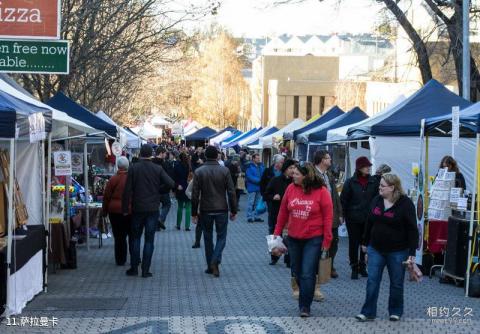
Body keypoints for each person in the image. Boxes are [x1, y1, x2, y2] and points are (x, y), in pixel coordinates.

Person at [356, 173, 418, 322]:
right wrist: (365, 242)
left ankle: (395, 311)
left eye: (382, 186)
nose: (379, 188)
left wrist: (412, 252)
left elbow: (412, 229)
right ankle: (368, 311)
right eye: (380, 185)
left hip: (398, 250)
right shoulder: (377, 200)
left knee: (396, 282)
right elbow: (369, 222)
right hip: (376, 248)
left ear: (392, 187)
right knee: (372, 281)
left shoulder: (405, 203)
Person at [274, 162, 333, 318]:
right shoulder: (291, 189)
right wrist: (277, 233)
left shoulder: (322, 191)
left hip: (313, 238)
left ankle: (305, 305)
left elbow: (328, 217)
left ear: (307, 176)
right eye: (293, 173)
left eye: (297, 173)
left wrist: (327, 239)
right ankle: (305, 295)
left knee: (307, 273)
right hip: (293, 238)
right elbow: (282, 212)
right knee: (297, 272)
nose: (293, 175)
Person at [122, 144, 174, 277]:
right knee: (149, 240)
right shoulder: (157, 168)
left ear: (140, 154)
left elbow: (127, 190)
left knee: (135, 238)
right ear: (151, 154)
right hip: (152, 208)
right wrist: (158, 191)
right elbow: (170, 183)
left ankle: (134, 268)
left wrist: (125, 209)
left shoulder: (133, 168)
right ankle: (145, 270)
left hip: (138, 208)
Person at [191, 146, 237, 277]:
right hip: (221, 208)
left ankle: (211, 265)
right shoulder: (224, 171)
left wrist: (194, 213)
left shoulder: (199, 171)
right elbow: (231, 192)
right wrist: (233, 210)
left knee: (207, 237)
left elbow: (195, 194)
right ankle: (215, 261)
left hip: (206, 209)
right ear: (217, 156)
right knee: (221, 237)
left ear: (205, 156)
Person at [340, 156, 379, 280]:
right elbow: (344, 200)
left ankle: (363, 266)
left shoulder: (373, 182)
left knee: (365, 242)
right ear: (359, 168)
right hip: (353, 217)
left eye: (369, 166)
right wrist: (343, 215)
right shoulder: (350, 182)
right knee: (354, 243)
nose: (368, 168)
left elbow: (377, 199)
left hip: (368, 217)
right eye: (366, 166)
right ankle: (354, 267)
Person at [314, 150, 343, 280]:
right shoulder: (312, 175)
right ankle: (318, 267)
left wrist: (340, 213)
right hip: (318, 216)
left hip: (332, 214)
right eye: (328, 158)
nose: (330, 160)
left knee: (334, 241)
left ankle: (329, 266)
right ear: (321, 160)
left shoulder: (329, 174)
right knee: (319, 242)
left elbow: (335, 196)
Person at [264, 159, 296, 265]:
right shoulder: (275, 180)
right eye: (290, 168)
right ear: (285, 169)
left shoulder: (296, 182)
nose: (293, 170)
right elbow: (266, 194)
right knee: (275, 234)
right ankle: (274, 257)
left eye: (294, 168)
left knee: (289, 236)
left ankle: (289, 259)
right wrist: (273, 196)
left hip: (291, 214)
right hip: (276, 212)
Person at [102, 156, 132, 266]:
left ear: (118, 166)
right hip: (130, 211)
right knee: (132, 236)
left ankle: (120, 259)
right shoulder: (131, 178)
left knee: (119, 237)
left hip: (115, 211)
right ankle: (134, 257)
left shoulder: (113, 179)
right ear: (127, 166)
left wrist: (104, 211)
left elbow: (106, 197)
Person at [261, 154, 285, 230]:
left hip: (281, 197)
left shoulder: (283, 172)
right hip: (270, 197)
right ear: (276, 163)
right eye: (282, 162)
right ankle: (271, 228)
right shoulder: (268, 171)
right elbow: (262, 183)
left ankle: (277, 228)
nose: (283, 164)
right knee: (271, 213)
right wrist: (264, 195)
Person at [152, 147, 174, 231]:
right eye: (165, 153)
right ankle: (160, 219)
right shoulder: (166, 164)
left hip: (154, 189)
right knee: (167, 204)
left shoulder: (151, 163)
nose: (166, 155)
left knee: (156, 207)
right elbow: (169, 177)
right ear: (161, 153)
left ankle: (157, 225)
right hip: (164, 189)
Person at [173, 152, 192, 231]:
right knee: (188, 207)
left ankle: (178, 225)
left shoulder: (176, 166)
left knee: (180, 207)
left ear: (179, 158)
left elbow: (174, 178)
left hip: (180, 188)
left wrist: (175, 187)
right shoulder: (189, 166)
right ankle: (187, 226)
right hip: (188, 188)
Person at [245, 153, 265, 223]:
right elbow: (250, 176)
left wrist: (263, 181)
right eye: (257, 158)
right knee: (251, 203)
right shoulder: (249, 166)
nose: (258, 159)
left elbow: (264, 175)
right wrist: (260, 181)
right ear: (253, 159)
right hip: (252, 187)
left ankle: (256, 216)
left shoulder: (261, 166)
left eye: (259, 158)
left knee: (257, 203)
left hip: (259, 187)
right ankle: (249, 217)